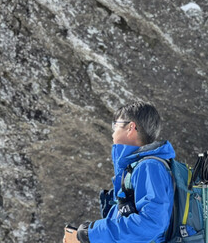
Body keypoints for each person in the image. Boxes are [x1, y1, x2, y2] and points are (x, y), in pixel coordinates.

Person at [64, 101, 176, 243]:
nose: (113, 132)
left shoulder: (149, 167)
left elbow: (152, 223)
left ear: (131, 127)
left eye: (115, 125)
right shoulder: (136, 168)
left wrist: (92, 232)